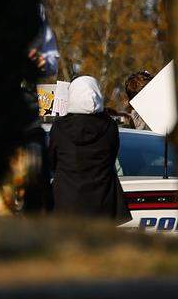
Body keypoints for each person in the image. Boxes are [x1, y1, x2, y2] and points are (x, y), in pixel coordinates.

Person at [48, 76, 128, 221]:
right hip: (102, 202)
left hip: (65, 202)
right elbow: (112, 158)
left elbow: (52, 161)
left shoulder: (59, 127)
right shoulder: (110, 125)